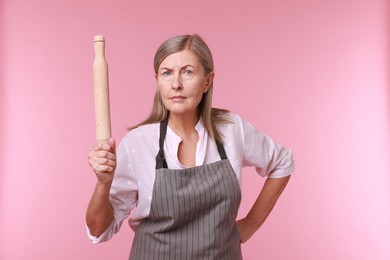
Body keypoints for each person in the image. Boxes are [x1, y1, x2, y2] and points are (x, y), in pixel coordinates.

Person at [86, 34, 294, 259]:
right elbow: (99, 230)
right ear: (157, 80)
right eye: (167, 73)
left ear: (208, 81)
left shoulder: (232, 129)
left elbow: (282, 162)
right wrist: (103, 183)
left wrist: (252, 223)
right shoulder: (138, 143)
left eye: (187, 72)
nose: (176, 84)